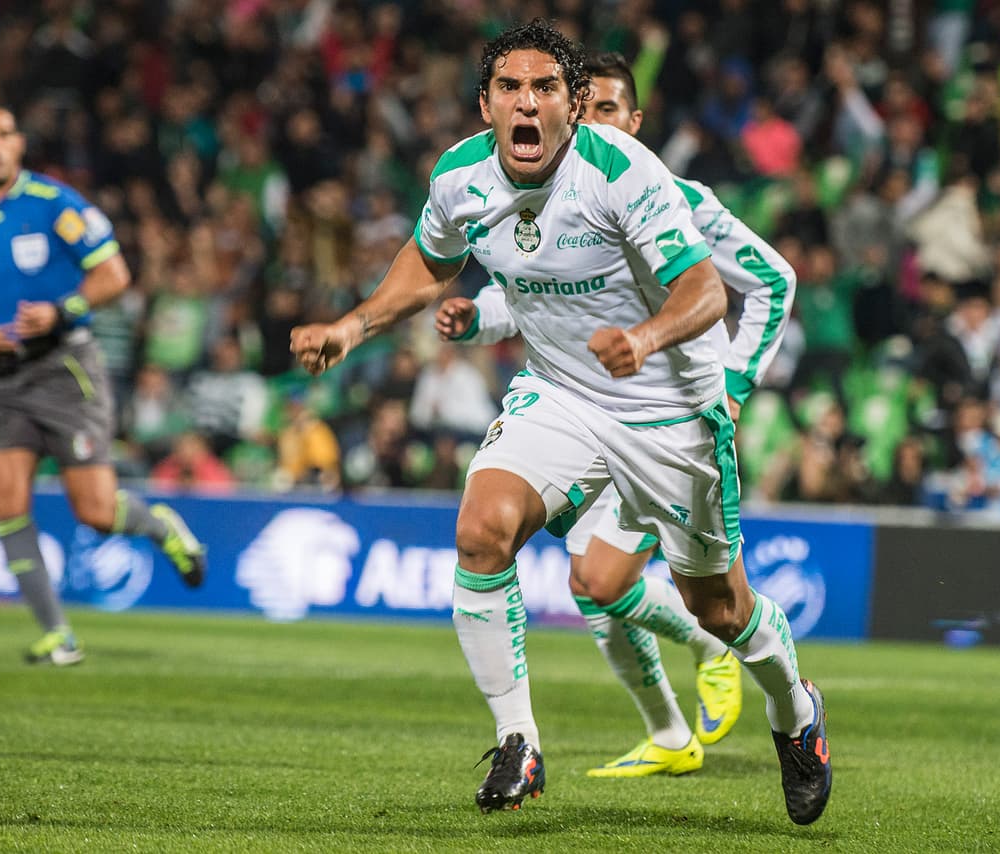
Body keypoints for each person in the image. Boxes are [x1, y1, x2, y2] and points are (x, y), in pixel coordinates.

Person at [290, 21, 830, 825]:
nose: (527, 103)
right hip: (562, 395)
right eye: (510, 88)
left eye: (546, 88)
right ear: (487, 103)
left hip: (668, 409)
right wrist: (354, 325)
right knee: (482, 531)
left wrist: (645, 338)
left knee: (719, 608)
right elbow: (430, 262)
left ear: (574, 106)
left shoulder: (623, 172)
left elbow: (708, 293)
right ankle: (519, 741)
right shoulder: (460, 177)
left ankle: (797, 713)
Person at [436, 50, 798, 779]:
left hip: (669, 413)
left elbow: (769, 279)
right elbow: (542, 295)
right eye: (584, 108)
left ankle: (734, 665)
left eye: (607, 111)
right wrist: (476, 319)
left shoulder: (678, 199)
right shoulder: (549, 193)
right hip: (578, 402)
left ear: (634, 120)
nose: (591, 122)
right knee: (589, 582)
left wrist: (735, 383)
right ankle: (664, 730)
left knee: (683, 597)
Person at [0, 106, 207, 666]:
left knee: (96, 511)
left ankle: (160, 524)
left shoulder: (55, 204)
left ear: (20, 143)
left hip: (63, 368)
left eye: (4, 135)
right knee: (6, 505)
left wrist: (62, 310)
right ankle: (58, 634)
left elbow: (114, 273)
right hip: (0, 381)